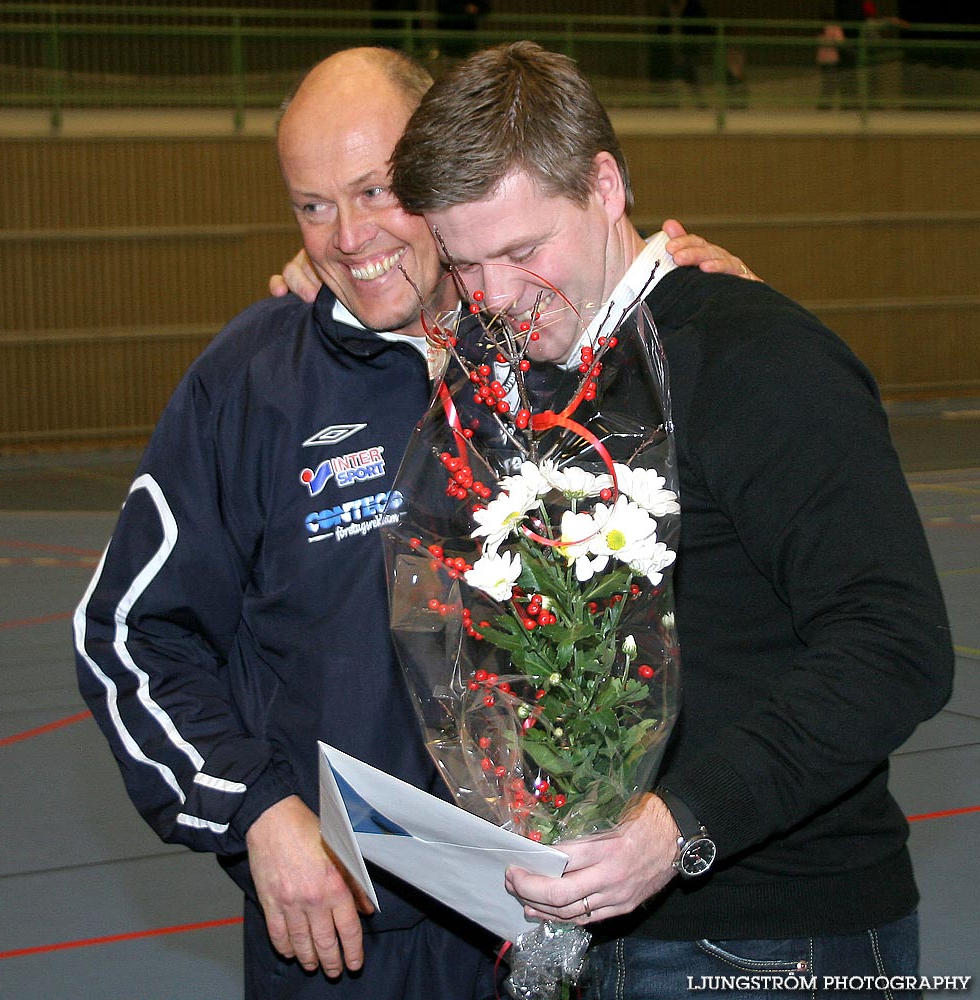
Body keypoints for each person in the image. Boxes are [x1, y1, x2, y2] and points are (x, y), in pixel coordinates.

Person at [73, 45, 758, 1000]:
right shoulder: (252, 384)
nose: (348, 238)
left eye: (375, 191)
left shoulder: (560, 344)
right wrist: (261, 815)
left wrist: (717, 303)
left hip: (586, 921)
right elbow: (128, 637)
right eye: (313, 206)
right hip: (345, 934)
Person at [389, 41, 954, 998]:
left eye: (525, 251)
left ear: (606, 184)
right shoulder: (524, 379)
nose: (494, 298)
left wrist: (680, 824)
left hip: (775, 941)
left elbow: (895, 642)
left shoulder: (756, 356)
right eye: (464, 263)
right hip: (587, 937)